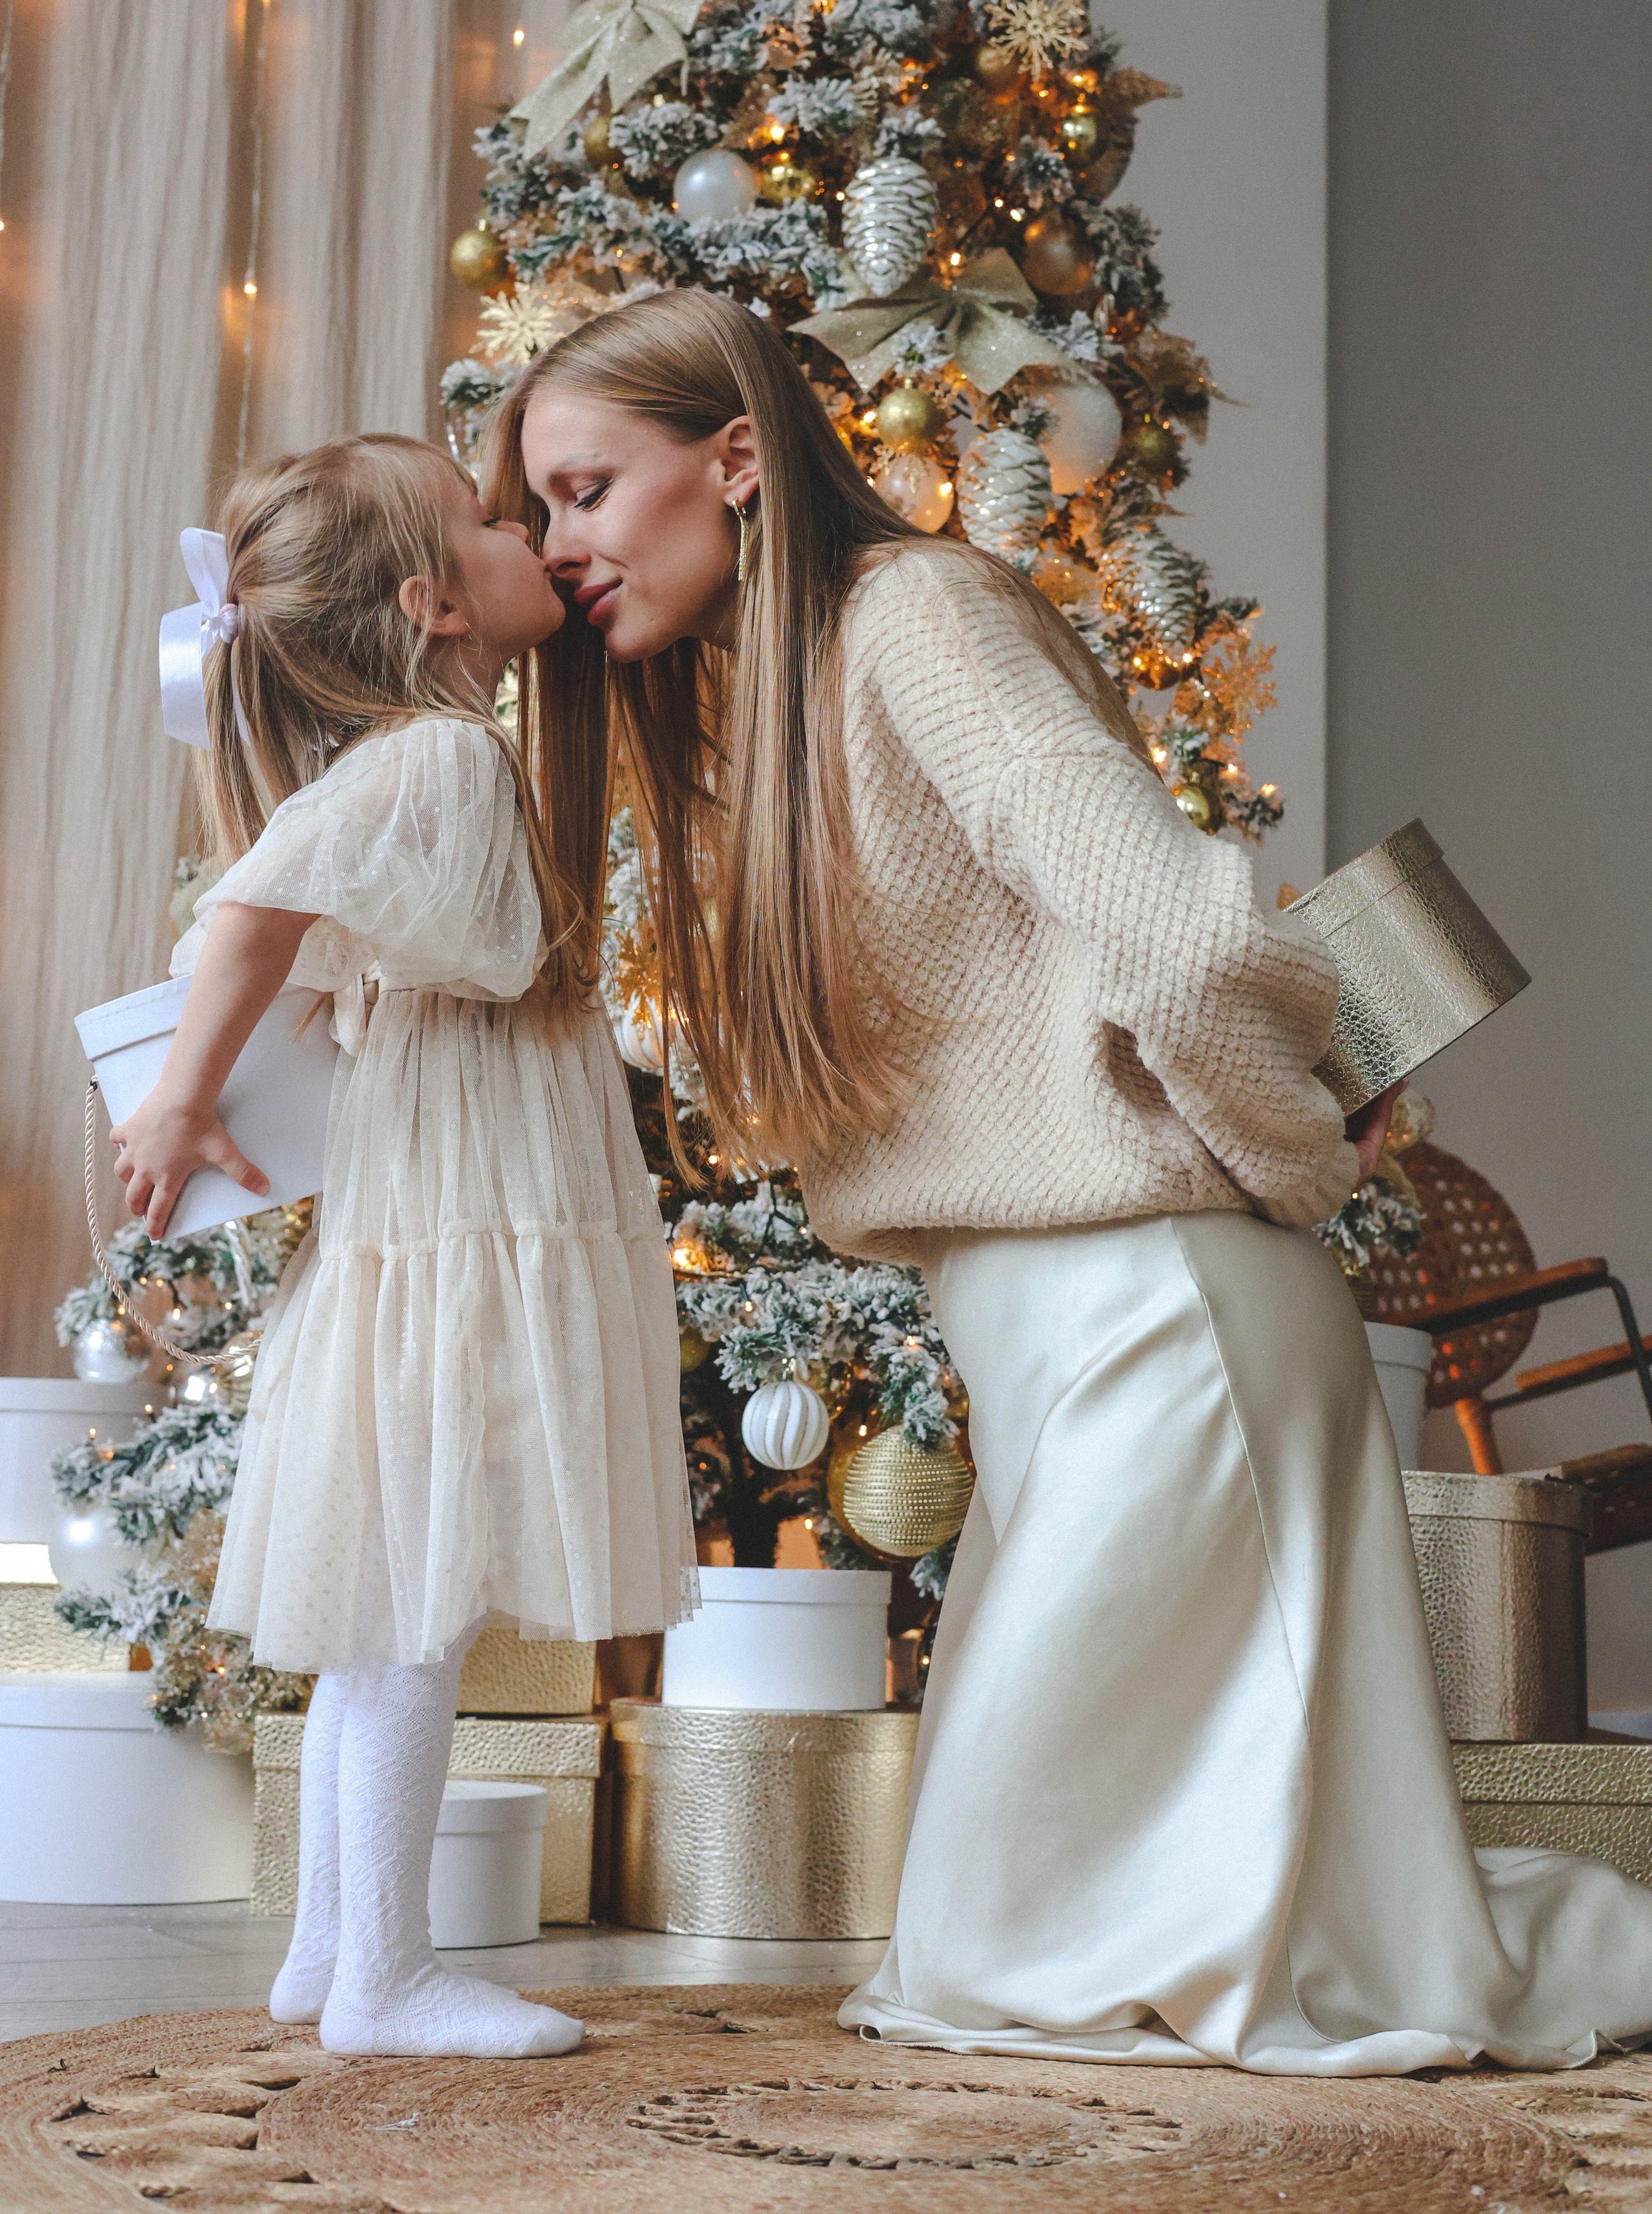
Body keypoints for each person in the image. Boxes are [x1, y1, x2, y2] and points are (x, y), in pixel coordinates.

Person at [485, 285, 1652, 2075]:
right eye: (538, 512)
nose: (561, 546)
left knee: (1012, 1952)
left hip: (1168, 1306)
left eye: (582, 490)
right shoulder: (760, 725)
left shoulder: (916, 618)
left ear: (733, 460)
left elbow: (1179, 938)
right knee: (1034, 1931)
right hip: (1048, 1327)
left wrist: (1279, 1166)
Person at [110, 434, 695, 2059]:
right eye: (489, 519)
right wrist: (178, 1102)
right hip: (461, 1207)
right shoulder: (436, 760)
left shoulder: (427, 759)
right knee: (413, 1607)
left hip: (442, 1192)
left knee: (390, 1600)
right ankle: (384, 1976)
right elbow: (249, 912)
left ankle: (326, 1952)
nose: (529, 533)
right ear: (438, 604)